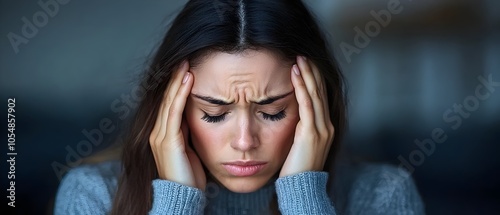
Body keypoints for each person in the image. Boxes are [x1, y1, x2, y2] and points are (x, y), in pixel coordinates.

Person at [54, 0, 426, 214]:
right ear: (173, 110)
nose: (245, 141)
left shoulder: (383, 195)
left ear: (315, 106)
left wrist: (304, 197)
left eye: (273, 111)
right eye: (214, 113)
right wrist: (175, 204)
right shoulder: (92, 195)